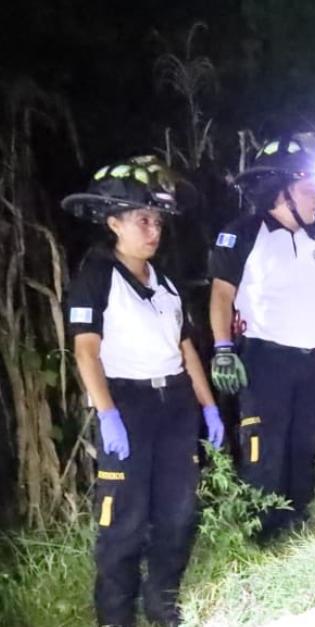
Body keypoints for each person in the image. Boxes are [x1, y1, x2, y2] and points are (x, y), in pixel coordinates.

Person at [63, 156, 224, 627]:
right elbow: (86, 352)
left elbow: (185, 348)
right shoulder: (96, 276)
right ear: (113, 223)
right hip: (127, 404)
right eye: (142, 220)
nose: (154, 230)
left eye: (157, 221)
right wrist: (107, 414)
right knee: (124, 520)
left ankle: (162, 604)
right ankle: (116, 616)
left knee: (178, 512)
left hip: (175, 404)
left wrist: (209, 408)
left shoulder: (166, 282)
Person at [208, 133, 315, 537]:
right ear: (282, 192)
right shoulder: (243, 233)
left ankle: (296, 521)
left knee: (304, 443)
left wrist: (309, 308)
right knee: (263, 446)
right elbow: (221, 295)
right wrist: (223, 348)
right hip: (265, 358)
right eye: (310, 191)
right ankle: (259, 531)